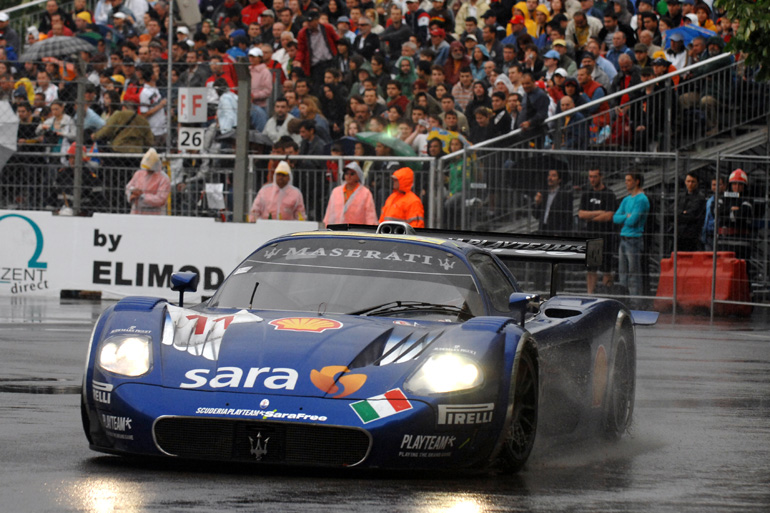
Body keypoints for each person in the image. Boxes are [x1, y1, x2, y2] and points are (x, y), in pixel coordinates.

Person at [578, 166, 618, 294]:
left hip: (606, 236)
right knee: (591, 269)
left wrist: (592, 217)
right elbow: (581, 214)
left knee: (607, 269)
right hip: (592, 236)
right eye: (590, 177)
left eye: (595, 176)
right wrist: (599, 212)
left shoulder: (609, 194)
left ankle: (607, 293)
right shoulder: (586, 194)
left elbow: (609, 215)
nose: (592, 179)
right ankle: (590, 294)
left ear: (601, 177)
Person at [613, 172, 650, 301]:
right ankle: (624, 298)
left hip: (634, 238)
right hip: (624, 238)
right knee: (623, 271)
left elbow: (633, 220)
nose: (626, 183)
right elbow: (616, 217)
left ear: (637, 181)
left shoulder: (642, 199)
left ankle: (635, 300)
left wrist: (625, 217)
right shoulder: (627, 199)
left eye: (629, 180)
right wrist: (626, 216)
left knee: (633, 272)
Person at [323, 161, 377, 226]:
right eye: (346, 173)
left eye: (352, 174)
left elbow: (370, 214)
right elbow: (330, 211)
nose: (349, 176)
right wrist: (327, 225)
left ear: (358, 176)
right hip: (337, 229)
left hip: (357, 230)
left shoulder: (365, 193)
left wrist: (370, 229)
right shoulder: (336, 191)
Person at [717, 168, 753, 266]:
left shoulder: (748, 199)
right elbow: (716, 212)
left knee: (742, 270)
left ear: (744, 186)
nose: (736, 187)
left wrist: (727, 213)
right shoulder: (723, 198)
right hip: (724, 242)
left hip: (742, 243)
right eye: (734, 184)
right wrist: (732, 211)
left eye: (740, 184)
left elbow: (741, 215)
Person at [125, 148, 171, 215]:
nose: (147, 170)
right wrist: (132, 192)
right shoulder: (139, 173)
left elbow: (161, 199)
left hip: (154, 214)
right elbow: (129, 187)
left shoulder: (163, 178)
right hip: (136, 212)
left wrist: (142, 196)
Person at [533, 169, 573, 236]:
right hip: (542, 230)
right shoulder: (543, 194)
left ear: (559, 180)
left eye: (553, 176)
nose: (550, 178)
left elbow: (567, 218)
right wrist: (537, 203)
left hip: (555, 232)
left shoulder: (565, 196)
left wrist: (559, 233)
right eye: (549, 175)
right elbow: (536, 215)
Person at [676, 171, 706, 252]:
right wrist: (684, 213)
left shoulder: (700, 198)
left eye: (693, 182)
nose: (690, 184)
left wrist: (682, 214)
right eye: (688, 181)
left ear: (697, 183)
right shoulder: (681, 196)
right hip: (679, 234)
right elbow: (673, 211)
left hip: (692, 235)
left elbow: (693, 215)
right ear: (685, 182)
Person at [701, 175, 726, 251]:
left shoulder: (726, 200)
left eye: (719, 184)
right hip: (708, 234)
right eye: (714, 185)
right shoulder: (710, 200)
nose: (716, 187)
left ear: (724, 186)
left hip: (720, 234)